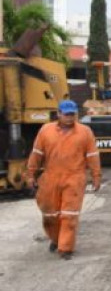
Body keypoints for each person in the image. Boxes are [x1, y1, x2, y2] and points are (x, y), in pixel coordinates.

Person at [25, 100, 102, 260]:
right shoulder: (46, 131)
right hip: (50, 178)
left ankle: (66, 248)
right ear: (58, 114)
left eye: (72, 114)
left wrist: (96, 176)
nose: (69, 117)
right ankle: (56, 239)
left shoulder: (85, 132)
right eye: (66, 114)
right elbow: (37, 154)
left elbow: (92, 156)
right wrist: (31, 175)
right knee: (50, 215)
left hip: (74, 178)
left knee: (69, 215)